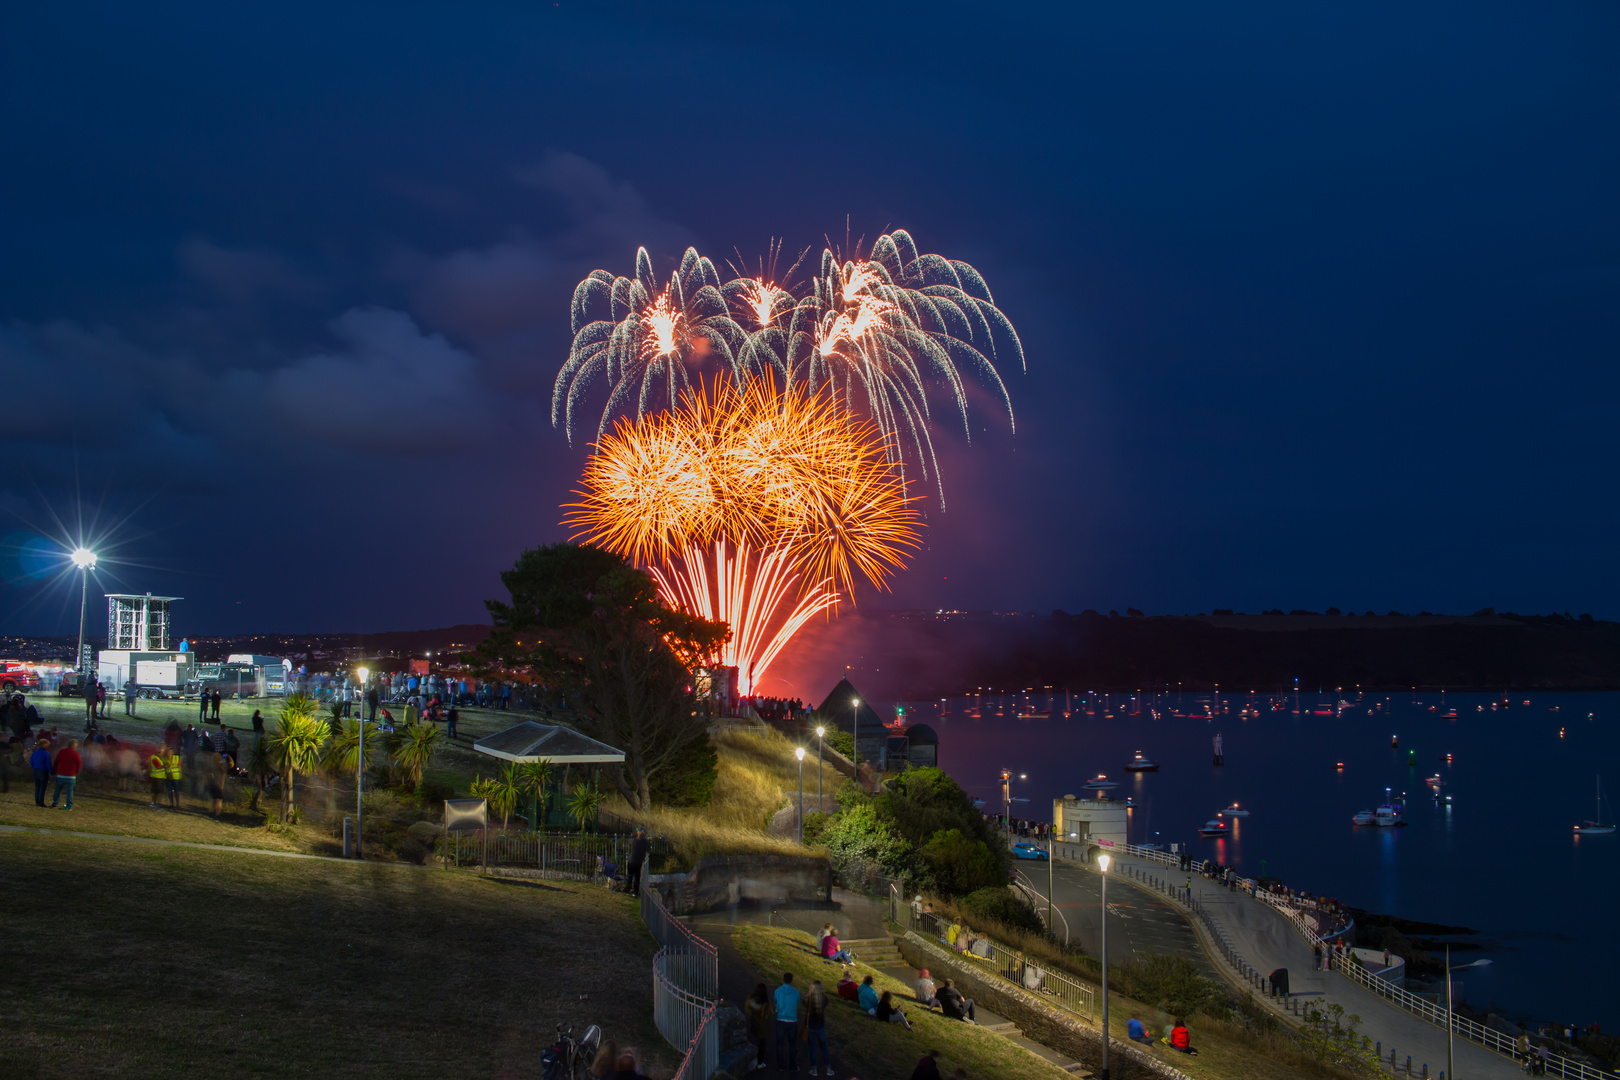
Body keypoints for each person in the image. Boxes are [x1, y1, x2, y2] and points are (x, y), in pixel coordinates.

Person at [774, 972, 800, 1073]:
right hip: (792, 1019)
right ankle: (793, 1066)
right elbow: (797, 1002)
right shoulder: (796, 992)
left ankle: (781, 1065)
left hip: (780, 1018)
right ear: (791, 980)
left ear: (783, 979)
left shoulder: (778, 991)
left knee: (780, 1044)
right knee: (793, 1044)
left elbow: (775, 1002)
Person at [804, 979, 829, 1076]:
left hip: (810, 1026)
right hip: (821, 1026)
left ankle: (814, 1069)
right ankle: (828, 1068)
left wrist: (809, 994)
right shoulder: (825, 1000)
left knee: (812, 1049)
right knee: (824, 1048)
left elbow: (804, 1002)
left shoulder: (808, 1000)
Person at [744, 983, 771, 1071]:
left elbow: (748, 1011)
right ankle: (759, 1062)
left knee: (753, 1042)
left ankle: (750, 1061)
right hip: (763, 1028)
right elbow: (769, 1013)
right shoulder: (766, 1002)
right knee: (762, 1045)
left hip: (754, 1025)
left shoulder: (751, 1000)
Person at [49, 738, 82, 810]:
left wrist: (54, 771)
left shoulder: (62, 751)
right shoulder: (76, 754)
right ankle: (68, 806)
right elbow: (79, 765)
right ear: (75, 745)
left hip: (61, 774)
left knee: (58, 789)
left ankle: (55, 804)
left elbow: (56, 762)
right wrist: (77, 773)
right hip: (71, 776)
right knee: (69, 791)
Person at [626, 828, 650, 896]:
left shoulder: (634, 841)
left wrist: (635, 834)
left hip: (631, 862)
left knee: (630, 876)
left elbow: (629, 839)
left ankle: (628, 888)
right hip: (639, 862)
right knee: (637, 878)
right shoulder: (645, 843)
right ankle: (635, 891)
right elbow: (648, 847)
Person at [30, 739, 53, 807]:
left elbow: (31, 762)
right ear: (45, 745)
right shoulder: (46, 753)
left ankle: (37, 801)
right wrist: (51, 772)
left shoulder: (35, 752)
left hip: (35, 770)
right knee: (42, 787)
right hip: (43, 771)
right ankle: (41, 802)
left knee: (37, 786)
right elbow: (48, 764)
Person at [182, 725, 200, 795]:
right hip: (190, 748)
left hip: (188, 747)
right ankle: (191, 767)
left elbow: (183, 736)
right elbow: (197, 738)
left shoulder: (186, 732)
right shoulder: (192, 732)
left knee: (190, 757)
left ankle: (190, 767)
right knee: (191, 757)